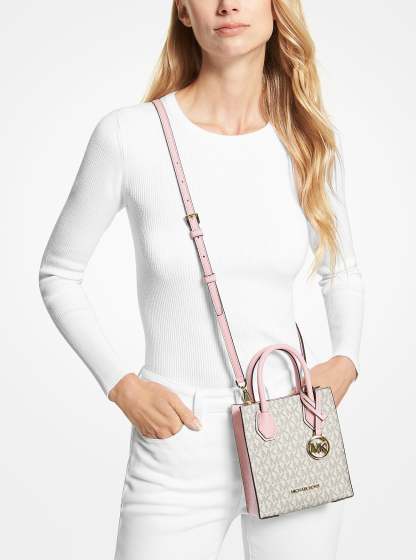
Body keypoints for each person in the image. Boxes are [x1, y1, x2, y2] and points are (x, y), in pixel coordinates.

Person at [38, 1, 365, 558]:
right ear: (184, 12)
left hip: (292, 422)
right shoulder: (129, 136)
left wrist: (347, 358)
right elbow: (59, 273)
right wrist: (121, 384)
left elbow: (344, 269)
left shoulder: (307, 141)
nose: (227, 4)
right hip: (177, 438)